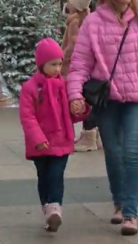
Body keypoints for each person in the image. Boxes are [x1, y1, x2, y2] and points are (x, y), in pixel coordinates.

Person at [66, 0, 138, 236]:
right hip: (106, 100)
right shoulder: (94, 22)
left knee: (132, 153)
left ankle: (130, 213)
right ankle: (119, 202)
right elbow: (79, 63)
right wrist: (74, 94)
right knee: (113, 153)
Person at [19, 38, 89, 232]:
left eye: (60, 64)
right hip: (40, 144)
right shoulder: (30, 88)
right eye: (53, 64)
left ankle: (55, 210)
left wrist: (81, 109)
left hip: (61, 141)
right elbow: (28, 117)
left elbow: (71, 114)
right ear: (41, 64)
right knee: (44, 177)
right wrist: (38, 138)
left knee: (56, 176)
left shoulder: (63, 86)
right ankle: (47, 209)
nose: (58, 68)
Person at [64, 0, 109, 152]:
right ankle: (95, 132)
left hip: (96, 44)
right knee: (87, 86)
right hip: (81, 40)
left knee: (90, 88)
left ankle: (90, 133)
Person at [61, 0, 100, 77]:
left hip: (70, 64)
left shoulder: (74, 22)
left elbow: (73, 43)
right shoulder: (86, 18)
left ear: (76, 5)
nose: (68, 4)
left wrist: (63, 57)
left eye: (69, 1)